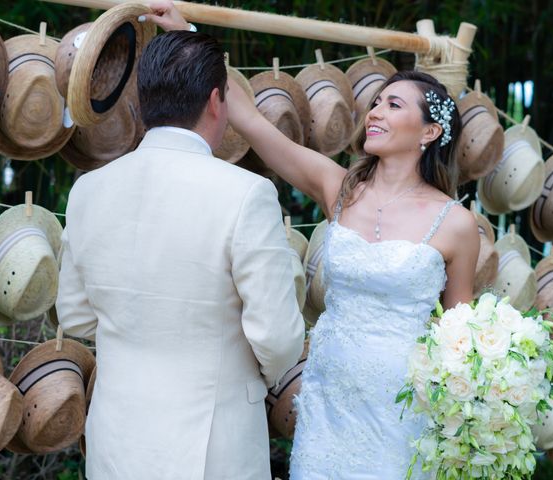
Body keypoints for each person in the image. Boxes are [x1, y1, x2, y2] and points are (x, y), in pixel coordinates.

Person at [157, 5, 480, 479]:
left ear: (430, 132)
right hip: (328, 399)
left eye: (394, 105)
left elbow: (461, 335)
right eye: (376, 101)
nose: (375, 111)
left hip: (405, 410)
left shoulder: (456, 223)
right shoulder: (340, 188)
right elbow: (253, 123)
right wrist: (189, 34)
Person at [56, 16, 305, 480]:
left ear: (142, 99)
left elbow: (74, 316)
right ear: (216, 101)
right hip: (214, 443)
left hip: (116, 436)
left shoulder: (89, 190)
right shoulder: (246, 193)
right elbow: (277, 338)